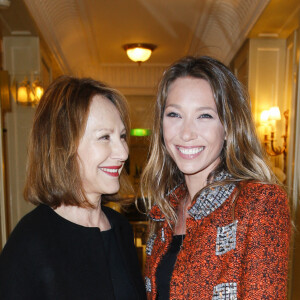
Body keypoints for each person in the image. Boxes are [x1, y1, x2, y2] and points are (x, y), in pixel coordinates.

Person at [141, 56, 291, 299]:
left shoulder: (259, 202)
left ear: (228, 128)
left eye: (205, 116)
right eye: (174, 115)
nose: (186, 133)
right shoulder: (163, 211)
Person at [0, 76, 146, 300]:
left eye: (122, 136)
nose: (123, 152)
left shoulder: (120, 228)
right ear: (63, 146)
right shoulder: (30, 241)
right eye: (104, 137)